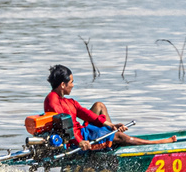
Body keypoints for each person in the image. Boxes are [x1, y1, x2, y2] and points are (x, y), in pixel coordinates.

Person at [42, 64, 175, 151]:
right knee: (124, 139)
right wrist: (80, 142)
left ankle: (113, 136)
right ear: (63, 85)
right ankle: (160, 143)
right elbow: (64, 126)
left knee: (101, 109)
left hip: (83, 132)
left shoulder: (68, 101)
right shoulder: (52, 99)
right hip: (76, 139)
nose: (73, 85)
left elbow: (86, 114)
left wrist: (110, 125)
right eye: (71, 82)